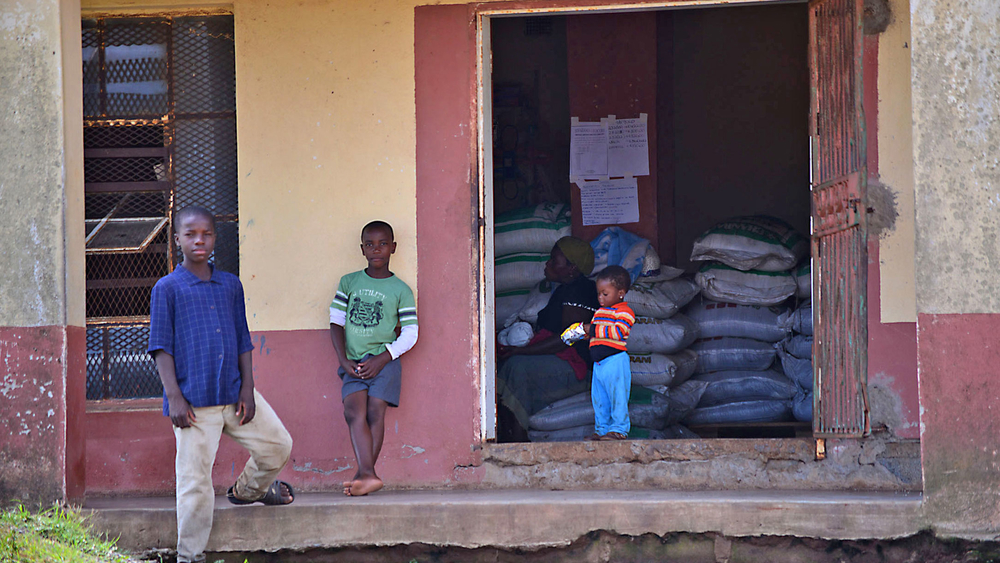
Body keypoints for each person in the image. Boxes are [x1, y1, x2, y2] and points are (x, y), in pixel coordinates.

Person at [149, 206, 294, 563]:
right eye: (191, 234)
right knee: (195, 483)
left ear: (215, 237)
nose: (199, 240)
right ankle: (190, 556)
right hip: (193, 404)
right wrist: (175, 399)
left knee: (278, 445)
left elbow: (242, 338)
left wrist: (248, 387)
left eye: (207, 234)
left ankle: (248, 491)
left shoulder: (230, 284)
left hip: (234, 394)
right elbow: (160, 347)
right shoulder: (166, 289)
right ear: (178, 238)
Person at [329, 221, 418, 496]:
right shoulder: (349, 282)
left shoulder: (401, 289)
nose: (376, 249)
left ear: (393, 247)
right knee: (353, 411)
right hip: (354, 362)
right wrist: (344, 361)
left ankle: (365, 474)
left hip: (385, 362)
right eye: (369, 244)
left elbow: (411, 333)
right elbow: (335, 322)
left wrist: (383, 358)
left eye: (382, 244)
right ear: (362, 249)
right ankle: (367, 474)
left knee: (375, 412)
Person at [496, 236, 599, 441]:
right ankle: (507, 435)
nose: (548, 264)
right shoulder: (564, 290)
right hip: (561, 362)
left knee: (518, 366)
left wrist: (521, 350)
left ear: (572, 268)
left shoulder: (580, 290)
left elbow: (568, 338)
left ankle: (517, 440)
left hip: (578, 369)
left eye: (554, 260)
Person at [582, 265, 635, 440]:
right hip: (599, 364)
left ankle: (619, 430)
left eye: (605, 294)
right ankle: (602, 430)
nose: (600, 298)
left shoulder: (625, 312)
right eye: (599, 294)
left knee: (617, 397)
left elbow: (618, 332)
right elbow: (598, 334)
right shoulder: (599, 312)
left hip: (615, 361)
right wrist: (584, 334)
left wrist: (593, 329)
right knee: (599, 400)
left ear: (621, 293)